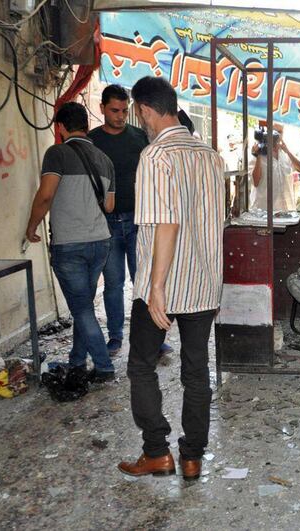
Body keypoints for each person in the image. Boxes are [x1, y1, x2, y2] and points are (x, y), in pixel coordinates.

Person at [117, 77, 225, 481]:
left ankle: (157, 452)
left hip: (160, 286)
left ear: (144, 110)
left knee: (142, 365)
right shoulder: (210, 155)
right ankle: (193, 457)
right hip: (203, 283)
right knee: (196, 371)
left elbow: (166, 223)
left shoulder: (155, 156)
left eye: (136, 113)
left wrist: (157, 287)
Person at [25, 102, 117, 382]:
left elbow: (45, 195)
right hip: (100, 242)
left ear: (61, 127)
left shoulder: (57, 153)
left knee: (81, 308)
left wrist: (30, 227)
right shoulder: (105, 159)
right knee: (83, 306)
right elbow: (110, 206)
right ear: (86, 126)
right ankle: (77, 360)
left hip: (70, 245)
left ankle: (103, 367)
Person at [89, 85, 173, 358]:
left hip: (140, 222)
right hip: (108, 224)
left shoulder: (140, 137)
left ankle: (154, 339)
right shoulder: (92, 143)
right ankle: (115, 338)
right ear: (102, 108)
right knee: (113, 284)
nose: (121, 116)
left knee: (147, 281)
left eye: (125, 110)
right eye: (115, 110)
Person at [249, 124, 297, 211]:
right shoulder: (257, 154)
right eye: (275, 131)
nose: (278, 135)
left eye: (280, 132)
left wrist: (288, 151)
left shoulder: (284, 154)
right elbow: (255, 182)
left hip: (284, 210)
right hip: (263, 211)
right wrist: (258, 155)